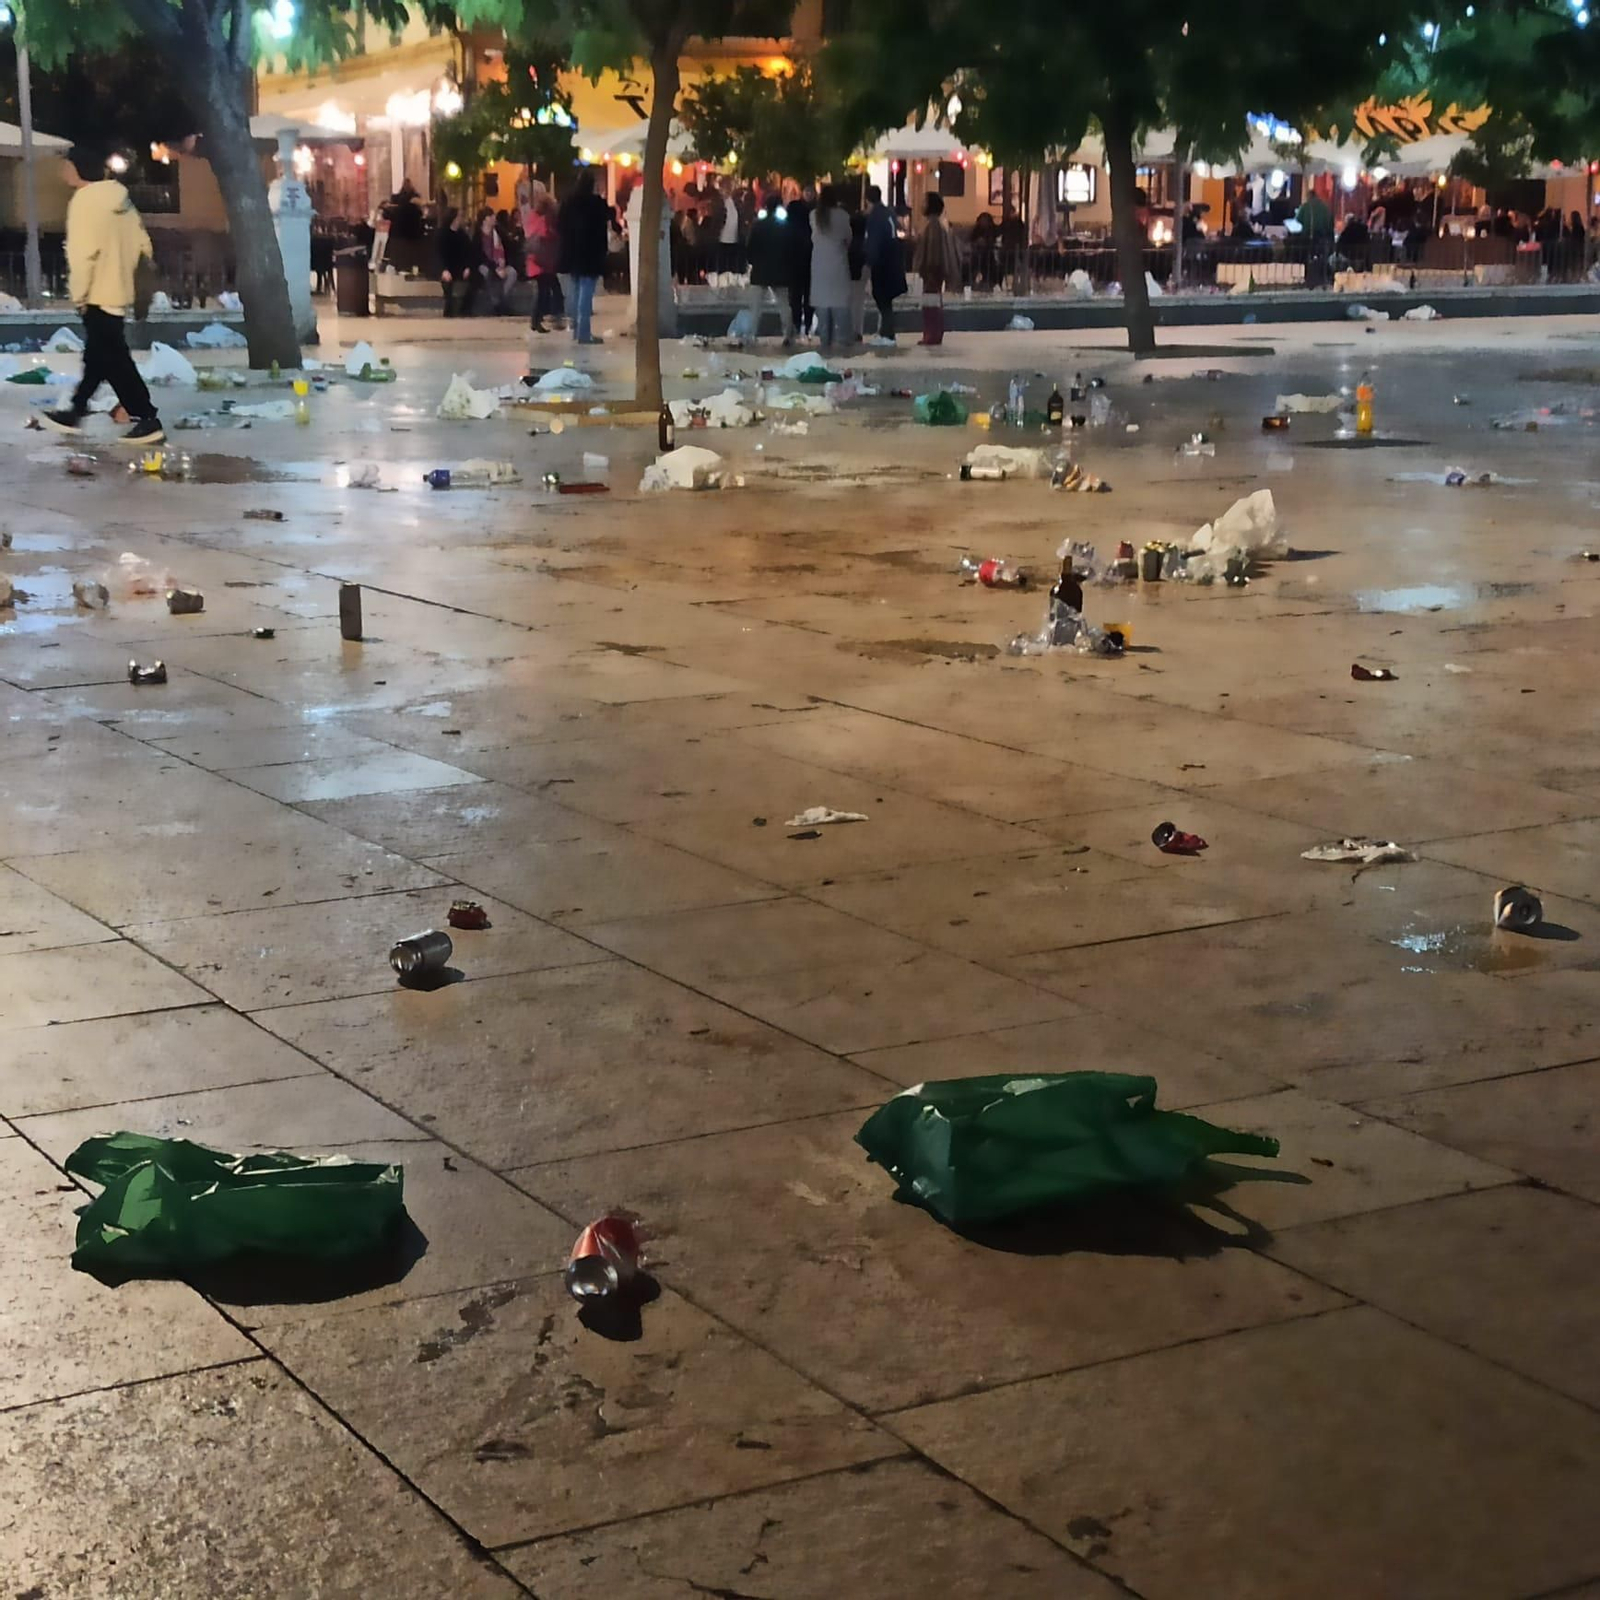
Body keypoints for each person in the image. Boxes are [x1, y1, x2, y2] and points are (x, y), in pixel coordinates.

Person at [42, 143, 164, 446]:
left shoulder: (85, 201)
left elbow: (84, 256)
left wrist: (79, 296)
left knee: (114, 359)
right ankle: (76, 410)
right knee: (98, 356)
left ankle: (147, 418)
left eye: (67, 165)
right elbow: (143, 245)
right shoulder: (120, 198)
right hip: (119, 289)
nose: (63, 170)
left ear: (79, 169)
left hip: (96, 292)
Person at [558, 170, 611, 344]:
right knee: (586, 294)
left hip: (573, 253)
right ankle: (583, 332)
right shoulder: (596, 203)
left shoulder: (568, 203)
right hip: (591, 254)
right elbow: (608, 217)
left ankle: (576, 329)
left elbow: (561, 225)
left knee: (575, 292)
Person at [912, 191, 962, 346]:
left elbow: (933, 250)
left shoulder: (932, 225)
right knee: (933, 302)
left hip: (932, 271)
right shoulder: (937, 224)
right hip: (934, 270)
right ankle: (933, 334)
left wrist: (929, 268)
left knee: (931, 304)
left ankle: (932, 335)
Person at [743, 190, 793, 343]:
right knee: (784, 305)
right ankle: (788, 334)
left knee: (755, 308)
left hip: (760, 271)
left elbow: (750, 247)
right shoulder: (784, 226)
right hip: (780, 270)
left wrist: (752, 261)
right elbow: (789, 248)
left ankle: (751, 335)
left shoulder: (758, 226)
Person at [808, 185, 853, 351]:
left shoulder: (814, 216)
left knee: (822, 304)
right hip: (838, 264)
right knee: (840, 304)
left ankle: (825, 341)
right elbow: (848, 238)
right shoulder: (843, 216)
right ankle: (843, 341)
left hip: (819, 265)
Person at [863, 184, 906, 345]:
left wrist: (869, 262)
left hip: (882, 263)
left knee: (882, 297)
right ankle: (886, 332)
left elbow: (874, 242)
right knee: (885, 299)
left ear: (867, 200)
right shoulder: (889, 213)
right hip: (892, 260)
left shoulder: (875, 216)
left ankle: (888, 335)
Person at [463, 207, 516, 314]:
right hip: (485, 265)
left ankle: (501, 300)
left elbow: (509, 248)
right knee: (486, 272)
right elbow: (480, 257)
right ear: (484, 219)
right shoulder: (477, 236)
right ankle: (495, 302)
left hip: (500, 264)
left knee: (512, 273)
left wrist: (503, 263)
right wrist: (495, 268)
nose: (494, 218)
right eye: (491, 216)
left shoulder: (499, 233)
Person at [526, 192, 563, 332]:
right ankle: (538, 320)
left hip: (535, 260)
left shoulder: (532, 217)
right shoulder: (544, 220)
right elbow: (546, 235)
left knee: (545, 290)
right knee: (545, 291)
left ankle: (538, 319)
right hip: (543, 261)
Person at [786, 184, 814, 339]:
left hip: (796, 259)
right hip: (808, 258)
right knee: (807, 295)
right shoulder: (814, 212)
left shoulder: (794, 211)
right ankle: (806, 325)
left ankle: (797, 325)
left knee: (796, 295)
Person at [436, 207, 473, 317]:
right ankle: (449, 311)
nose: (461, 219)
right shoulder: (442, 233)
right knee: (448, 284)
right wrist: (443, 270)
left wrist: (467, 267)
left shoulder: (462, 235)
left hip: (460, 267)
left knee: (473, 281)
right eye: (460, 216)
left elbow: (468, 253)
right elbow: (438, 254)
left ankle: (464, 310)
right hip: (447, 267)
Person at [714, 176, 742, 277]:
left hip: (734, 242)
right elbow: (717, 220)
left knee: (732, 271)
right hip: (721, 242)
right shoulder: (718, 202)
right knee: (722, 271)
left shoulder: (736, 202)